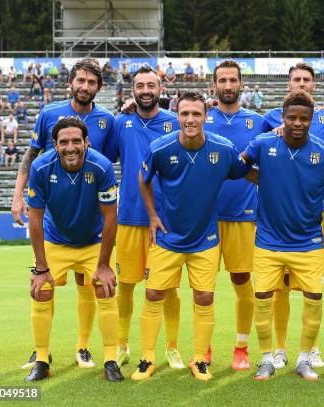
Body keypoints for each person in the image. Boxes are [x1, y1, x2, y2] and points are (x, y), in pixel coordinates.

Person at [132, 91, 253, 381]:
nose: (190, 119)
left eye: (196, 114)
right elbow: (142, 177)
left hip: (205, 240)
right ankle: (147, 357)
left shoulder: (223, 148)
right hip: (169, 237)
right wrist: (152, 215)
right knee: (153, 293)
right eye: (184, 114)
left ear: (205, 117)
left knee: (204, 297)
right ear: (177, 117)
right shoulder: (160, 148)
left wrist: (283, 180)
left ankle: (199, 359)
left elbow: (246, 171)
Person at [12, 58, 116, 370]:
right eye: (80, 80)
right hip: (55, 214)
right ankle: (41, 352)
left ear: (98, 87)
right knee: (42, 285)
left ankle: (83, 346)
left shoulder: (107, 120)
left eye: (91, 82)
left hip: (90, 220)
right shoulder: (48, 114)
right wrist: (18, 195)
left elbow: (105, 163)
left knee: (90, 286)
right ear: (70, 82)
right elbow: (32, 156)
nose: (85, 87)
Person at [242, 90, 324, 381]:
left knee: (314, 298)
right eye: (292, 118)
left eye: (304, 118)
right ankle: (266, 359)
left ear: (312, 120)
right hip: (268, 239)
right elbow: (239, 165)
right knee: (263, 297)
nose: (298, 123)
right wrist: (263, 178)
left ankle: (304, 359)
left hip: (309, 242)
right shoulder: (264, 144)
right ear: (282, 118)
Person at [181, 60, 271, 370]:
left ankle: (241, 348)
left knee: (241, 279)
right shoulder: (200, 118)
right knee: (201, 287)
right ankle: (202, 349)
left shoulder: (259, 122)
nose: (228, 85)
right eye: (223, 80)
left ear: (242, 85)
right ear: (213, 85)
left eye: (233, 80)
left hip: (243, 216)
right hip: (202, 217)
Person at [23, 117, 123, 382]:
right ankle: (42, 359)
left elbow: (111, 217)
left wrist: (103, 266)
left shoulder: (101, 166)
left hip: (93, 242)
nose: (71, 147)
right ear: (54, 145)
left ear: (86, 142)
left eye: (76, 141)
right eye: (64, 142)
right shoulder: (41, 166)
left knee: (105, 289)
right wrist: (41, 268)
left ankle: (110, 359)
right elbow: (35, 218)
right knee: (41, 291)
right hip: (56, 241)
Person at [263, 62, 324, 369]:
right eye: (295, 79)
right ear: (288, 84)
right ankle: (280, 348)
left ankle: (311, 349)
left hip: (314, 211)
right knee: (279, 288)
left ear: (314, 85)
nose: (300, 84)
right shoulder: (271, 118)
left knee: (313, 286)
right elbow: (257, 155)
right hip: (278, 213)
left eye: (306, 80)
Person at [108, 66, 182, 370]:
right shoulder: (120, 122)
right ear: (132, 90)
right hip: (128, 218)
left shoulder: (176, 124)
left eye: (152, 85)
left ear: (160, 89)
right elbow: (103, 159)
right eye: (140, 85)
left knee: (168, 288)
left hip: (164, 222)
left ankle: (172, 348)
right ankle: (122, 344)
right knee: (125, 285)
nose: (146, 90)